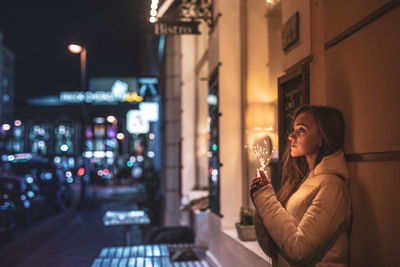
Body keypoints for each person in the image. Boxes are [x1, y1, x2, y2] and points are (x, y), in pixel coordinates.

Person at [250, 105, 352, 266]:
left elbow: (299, 252)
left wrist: (266, 200)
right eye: (293, 129)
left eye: (301, 130)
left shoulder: (332, 187)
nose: (291, 136)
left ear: (322, 138)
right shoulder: (303, 182)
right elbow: (277, 249)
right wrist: (261, 207)